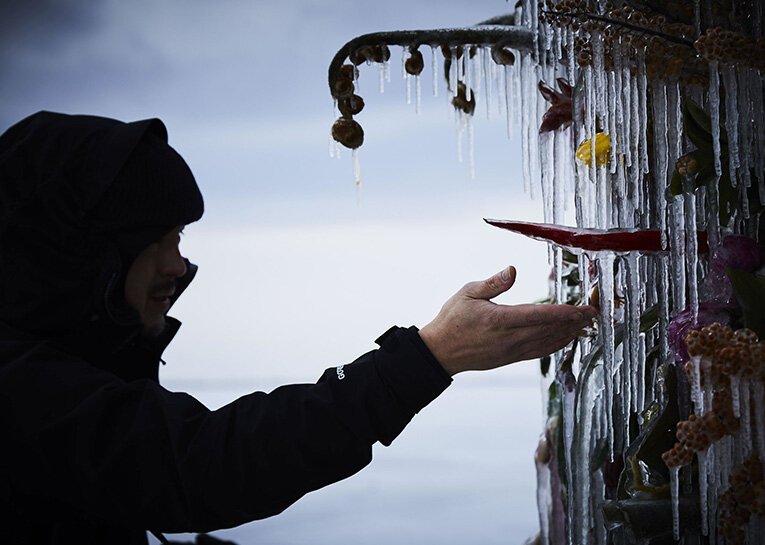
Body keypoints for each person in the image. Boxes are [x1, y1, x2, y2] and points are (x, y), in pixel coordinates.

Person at [0, 111, 596, 545]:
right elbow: (201, 466)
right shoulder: (19, 391)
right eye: (155, 242)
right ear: (83, 257)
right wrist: (429, 356)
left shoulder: (65, 364)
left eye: (178, 239)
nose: (177, 266)